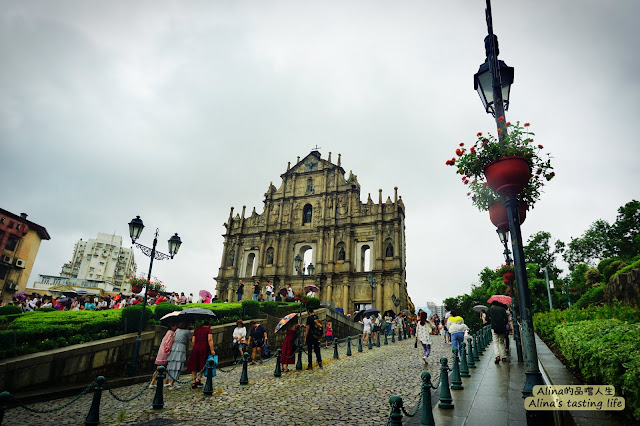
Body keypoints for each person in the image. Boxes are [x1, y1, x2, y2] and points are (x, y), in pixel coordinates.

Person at [187, 320, 215, 389]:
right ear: (209, 325)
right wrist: (212, 350)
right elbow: (210, 340)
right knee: (203, 364)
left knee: (194, 364)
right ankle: (198, 379)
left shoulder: (196, 330)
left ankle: (193, 381)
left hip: (196, 348)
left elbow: (193, 341)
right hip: (204, 348)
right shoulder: (208, 330)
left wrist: (196, 346)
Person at [150, 323, 177, 388]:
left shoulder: (168, 332)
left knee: (161, 368)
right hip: (166, 353)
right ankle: (153, 382)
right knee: (162, 368)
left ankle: (158, 382)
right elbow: (169, 343)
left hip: (162, 352)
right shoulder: (171, 333)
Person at [166, 322, 191, 389]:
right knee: (178, 365)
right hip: (181, 347)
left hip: (174, 347)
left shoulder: (177, 330)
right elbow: (191, 339)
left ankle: (169, 381)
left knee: (172, 364)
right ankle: (172, 383)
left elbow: (174, 338)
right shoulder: (187, 331)